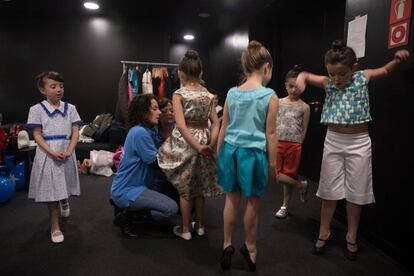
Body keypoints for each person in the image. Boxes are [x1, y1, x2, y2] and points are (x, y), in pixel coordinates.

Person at [295, 40, 410, 260]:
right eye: (332, 74)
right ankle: (324, 231)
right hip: (334, 141)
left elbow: (384, 70)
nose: (336, 79)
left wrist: (396, 60)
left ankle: (351, 235)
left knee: (356, 193)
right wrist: (300, 78)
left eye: (341, 74)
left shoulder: (362, 77)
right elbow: (307, 76)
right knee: (328, 190)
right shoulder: (328, 83)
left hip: (359, 142)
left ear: (353, 68)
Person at [217, 40, 278, 271]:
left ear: (245, 68)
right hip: (254, 155)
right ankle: (250, 249)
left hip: (231, 151)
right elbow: (271, 133)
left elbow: (224, 126)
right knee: (253, 202)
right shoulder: (270, 95)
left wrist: (218, 153)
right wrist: (273, 164)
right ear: (267, 68)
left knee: (231, 200)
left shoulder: (232, 93)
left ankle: (226, 245)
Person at [157, 50, 223, 241]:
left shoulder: (179, 94)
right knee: (200, 186)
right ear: (200, 73)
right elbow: (216, 122)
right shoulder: (208, 95)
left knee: (184, 187)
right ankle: (201, 226)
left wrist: (196, 146)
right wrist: (209, 143)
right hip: (204, 138)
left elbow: (181, 124)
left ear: (180, 73)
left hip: (186, 142)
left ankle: (185, 229)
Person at [110, 94, 178, 238]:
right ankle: (128, 216)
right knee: (171, 209)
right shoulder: (140, 132)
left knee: (174, 201)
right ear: (143, 112)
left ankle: (127, 208)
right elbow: (155, 163)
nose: (159, 112)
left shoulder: (147, 130)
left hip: (138, 185)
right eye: (155, 109)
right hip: (128, 189)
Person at [26, 71, 82, 243]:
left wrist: (70, 149)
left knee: (63, 182)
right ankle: (55, 226)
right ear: (43, 90)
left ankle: (64, 199)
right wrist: (51, 151)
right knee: (51, 190)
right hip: (48, 153)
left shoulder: (70, 108)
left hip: (66, 151)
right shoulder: (36, 110)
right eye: (53, 86)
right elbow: (37, 134)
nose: (59, 89)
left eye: (61, 86)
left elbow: (75, 131)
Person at [274, 65, 311, 219]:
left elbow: (304, 129)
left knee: (288, 176)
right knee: (276, 175)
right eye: (290, 86)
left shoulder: (305, 107)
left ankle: (285, 205)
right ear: (285, 85)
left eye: (296, 87)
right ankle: (301, 185)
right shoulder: (278, 102)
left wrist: (299, 144)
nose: (293, 90)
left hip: (294, 145)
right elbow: (272, 122)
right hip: (277, 142)